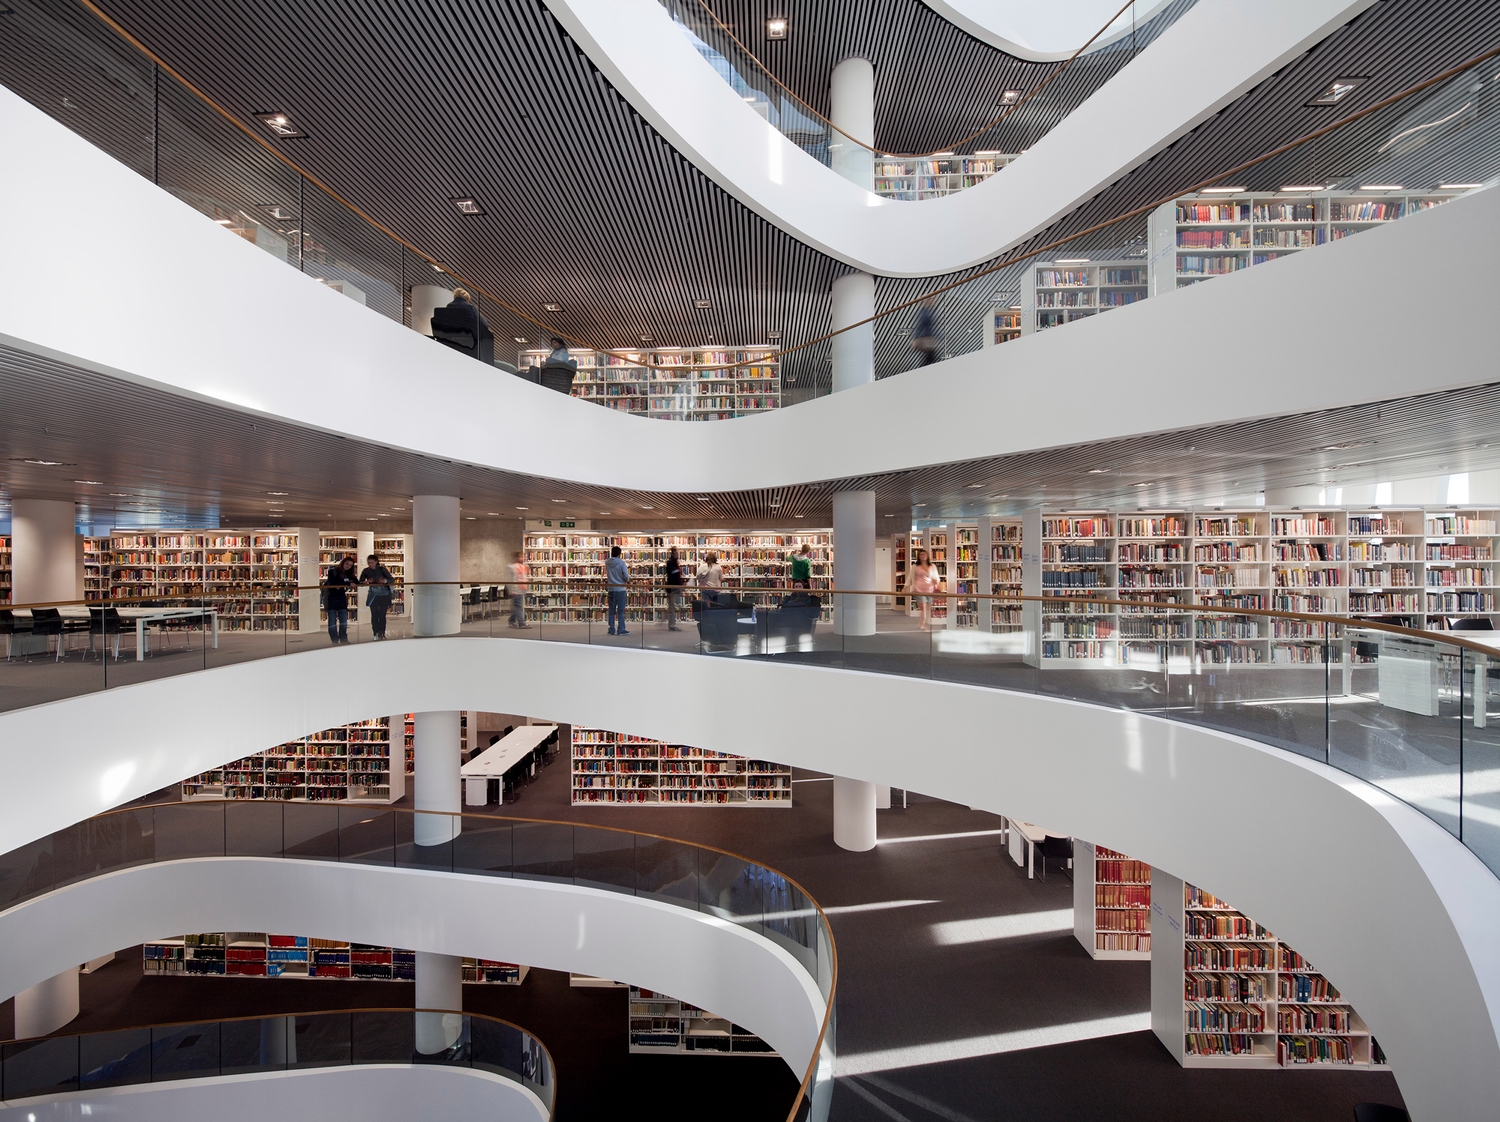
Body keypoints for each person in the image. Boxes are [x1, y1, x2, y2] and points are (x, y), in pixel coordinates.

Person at [430, 287, 494, 364]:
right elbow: (484, 324)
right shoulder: (470, 308)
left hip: (450, 343)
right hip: (470, 345)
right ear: (467, 299)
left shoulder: (447, 310)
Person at [324, 553, 360, 644]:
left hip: (341, 598)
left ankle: (344, 639)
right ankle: (334, 640)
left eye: (350, 565)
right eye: (347, 564)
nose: (348, 566)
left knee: (343, 621)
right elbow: (334, 582)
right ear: (343, 562)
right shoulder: (332, 571)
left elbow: (356, 582)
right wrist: (348, 583)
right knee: (332, 621)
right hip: (331, 598)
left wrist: (352, 582)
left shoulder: (349, 573)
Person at [358, 553, 395, 641]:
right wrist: (367, 581)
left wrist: (384, 581)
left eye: (372, 562)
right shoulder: (366, 571)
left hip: (384, 594)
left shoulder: (382, 569)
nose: (370, 564)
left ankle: (382, 632)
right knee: (374, 615)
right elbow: (360, 582)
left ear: (376, 562)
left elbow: (391, 580)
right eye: (369, 563)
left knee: (382, 615)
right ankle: (376, 633)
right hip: (373, 594)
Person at [909, 548, 940, 632]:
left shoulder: (932, 566)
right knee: (923, 607)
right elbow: (910, 577)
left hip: (929, 589)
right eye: (921, 555)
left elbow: (936, 577)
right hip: (918, 589)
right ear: (918, 557)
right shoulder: (915, 566)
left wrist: (936, 582)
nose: (923, 556)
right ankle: (924, 625)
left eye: (924, 554)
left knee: (927, 608)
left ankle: (921, 622)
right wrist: (905, 587)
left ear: (927, 556)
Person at [606, 544, 630, 636]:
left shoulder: (607, 562)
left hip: (611, 588)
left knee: (611, 610)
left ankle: (611, 629)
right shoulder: (621, 563)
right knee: (620, 610)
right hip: (620, 589)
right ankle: (621, 629)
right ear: (619, 554)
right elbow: (626, 577)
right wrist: (624, 580)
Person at [912, 296, 942, 367]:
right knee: (930, 356)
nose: (933, 300)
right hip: (926, 337)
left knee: (930, 356)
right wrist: (916, 338)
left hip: (928, 337)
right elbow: (920, 326)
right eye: (930, 299)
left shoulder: (929, 311)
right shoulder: (924, 312)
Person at [664, 545, 687, 631]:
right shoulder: (671, 562)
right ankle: (671, 625)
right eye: (676, 553)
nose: (677, 554)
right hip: (672, 587)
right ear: (673, 553)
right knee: (672, 607)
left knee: (673, 606)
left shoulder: (675, 562)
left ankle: (672, 624)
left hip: (675, 587)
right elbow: (672, 575)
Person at [508, 550, 531, 629]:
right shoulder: (513, 567)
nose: (523, 558)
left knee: (517, 606)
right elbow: (512, 579)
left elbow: (524, 578)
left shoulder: (522, 566)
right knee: (518, 607)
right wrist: (511, 589)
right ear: (517, 557)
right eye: (521, 556)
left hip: (522, 589)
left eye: (524, 556)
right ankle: (521, 623)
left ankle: (511, 621)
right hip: (516, 590)